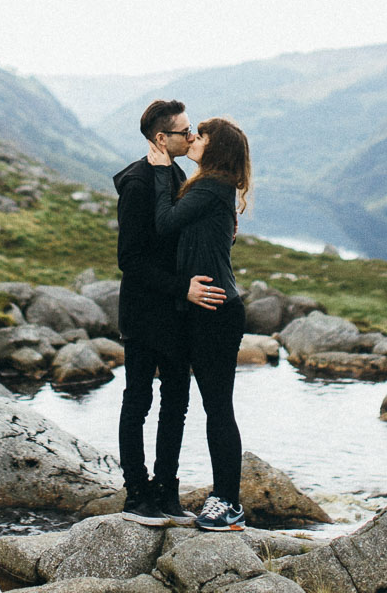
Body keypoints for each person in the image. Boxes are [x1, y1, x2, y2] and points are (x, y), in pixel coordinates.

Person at [113, 100, 225, 526]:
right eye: (184, 131)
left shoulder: (175, 174)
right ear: (161, 138)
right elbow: (130, 260)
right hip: (144, 313)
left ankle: (166, 493)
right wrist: (183, 288)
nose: (191, 136)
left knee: (176, 403)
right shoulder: (138, 183)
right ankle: (136, 495)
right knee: (138, 402)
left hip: (176, 314)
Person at [152, 116, 251, 532]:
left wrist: (162, 172)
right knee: (213, 406)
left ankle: (228, 502)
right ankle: (220, 498)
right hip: (202, 307)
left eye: (201, 135)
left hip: (216, 310)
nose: (193, 137)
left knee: (218, 407)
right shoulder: (210, 186)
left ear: (216, 148)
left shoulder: (212, 186)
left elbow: (165, 222)